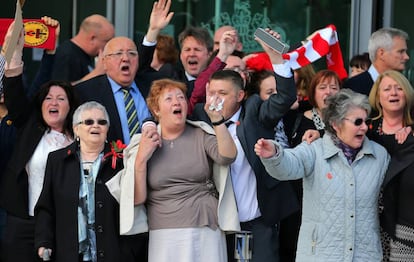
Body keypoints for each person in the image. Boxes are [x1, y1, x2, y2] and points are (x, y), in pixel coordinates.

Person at [192, 29, 299, 262]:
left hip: (254, 223)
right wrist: (220, 56)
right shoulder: (201, 114)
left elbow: (285, 99)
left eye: (222, 93)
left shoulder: (254, 111)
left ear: (240, 95)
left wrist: (276, 58)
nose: (215, 100)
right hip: (214, 225)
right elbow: (190, 95)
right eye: (212, 93)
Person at [255, 88, 390, 261]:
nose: (364, 127)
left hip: (365, 256)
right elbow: (288, 165)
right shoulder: (314, 150)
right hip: (319, 254)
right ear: (336, 123)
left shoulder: (380, 156)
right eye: (357, 121)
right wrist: (274, 154)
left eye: (366, 121)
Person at [123, 78, 237, 262]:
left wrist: (217, 121)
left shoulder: (201, 133)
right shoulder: (142, 143)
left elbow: (228, 156)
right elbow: (137, 198)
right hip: (164, 232)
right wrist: (141, 158)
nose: (177, 102)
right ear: (156, 110)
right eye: (169, 98)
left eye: (181, 97)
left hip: (205, 225)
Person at [0, 17, 78, 262]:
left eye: (61, 98)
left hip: (63, 226)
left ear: (71, 107)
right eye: (48, 98)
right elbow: (15, 89)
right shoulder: (30, 127)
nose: (53, 102)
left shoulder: (79, 138)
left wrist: (51, 45)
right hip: (23, 222)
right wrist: (14, 49)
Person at [34, 101, 132, 262]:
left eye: (102, 122)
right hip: (69, 252)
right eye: (88, 122)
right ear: (76, 129)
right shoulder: (58, 160)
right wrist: (44, 242)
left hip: (113, 252)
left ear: (107, 129)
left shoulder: (122, 161)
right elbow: (46, 207)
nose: (96, 126)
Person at [76, 0, 174, 145]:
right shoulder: (86, 92)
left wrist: (153, 30)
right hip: (112, 164)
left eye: (131, 54)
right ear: (104, 61)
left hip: (156, 162)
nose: (125, 58)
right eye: (118, 54)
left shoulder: (154, 84)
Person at [365, 70, 414, 261]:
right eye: (387, 89)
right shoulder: (365, 131)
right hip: (371, 220)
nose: (393, 93)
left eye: (399, 88)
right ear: (378, 97)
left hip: (406, 222)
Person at [343, 27, 409, 96]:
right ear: (381, 53)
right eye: (401, 52)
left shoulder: (406, 87)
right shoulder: (353, 87)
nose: (406, 57)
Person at [51, 14, 115, 84]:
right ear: (92, 38)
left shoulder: (87, 54)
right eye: (106, 41)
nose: (109, 46)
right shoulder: (66, 55)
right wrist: (96, 74)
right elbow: (61, 90)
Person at [289, 70, 341, 147]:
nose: (328, 92)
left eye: (334, 88)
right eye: (322, 87)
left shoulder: (347, 119)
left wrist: (320, 134)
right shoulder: (296, 118)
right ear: (313, 93)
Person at [176, 26, 213, 97]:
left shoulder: (217, 81)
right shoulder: (171, 78)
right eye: (187, 50)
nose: (192, 54)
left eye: (197, 49)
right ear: (181, 55)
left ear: (209, 54)